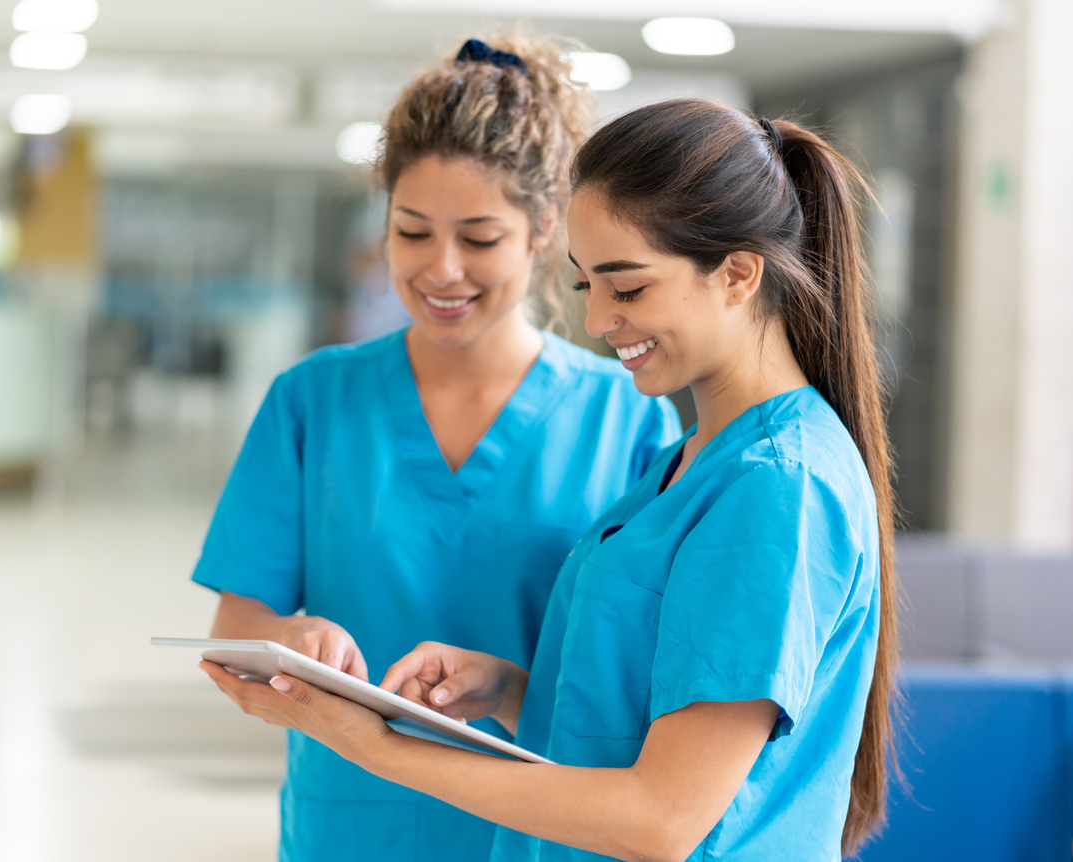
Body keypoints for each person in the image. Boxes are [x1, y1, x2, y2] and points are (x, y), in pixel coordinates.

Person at [202, 98, 900, 862]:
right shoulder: (699, 459)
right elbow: (634, 721)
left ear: (737, 274)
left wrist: (378, 746)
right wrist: (505, 689)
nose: (600, 320)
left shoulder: (778, 486)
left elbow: (661, 819)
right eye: (586, 287)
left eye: (627, 288)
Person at [192, 37, 682, 862]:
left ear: (542, 232)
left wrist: (507, 685)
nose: (441, 269)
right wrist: (296, 641)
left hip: (539, 830)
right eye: (412, 231)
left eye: (480, 238)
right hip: (350, 825)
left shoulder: (631, 422)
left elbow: (634, 687)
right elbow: (236, 623)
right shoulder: (313, 403)